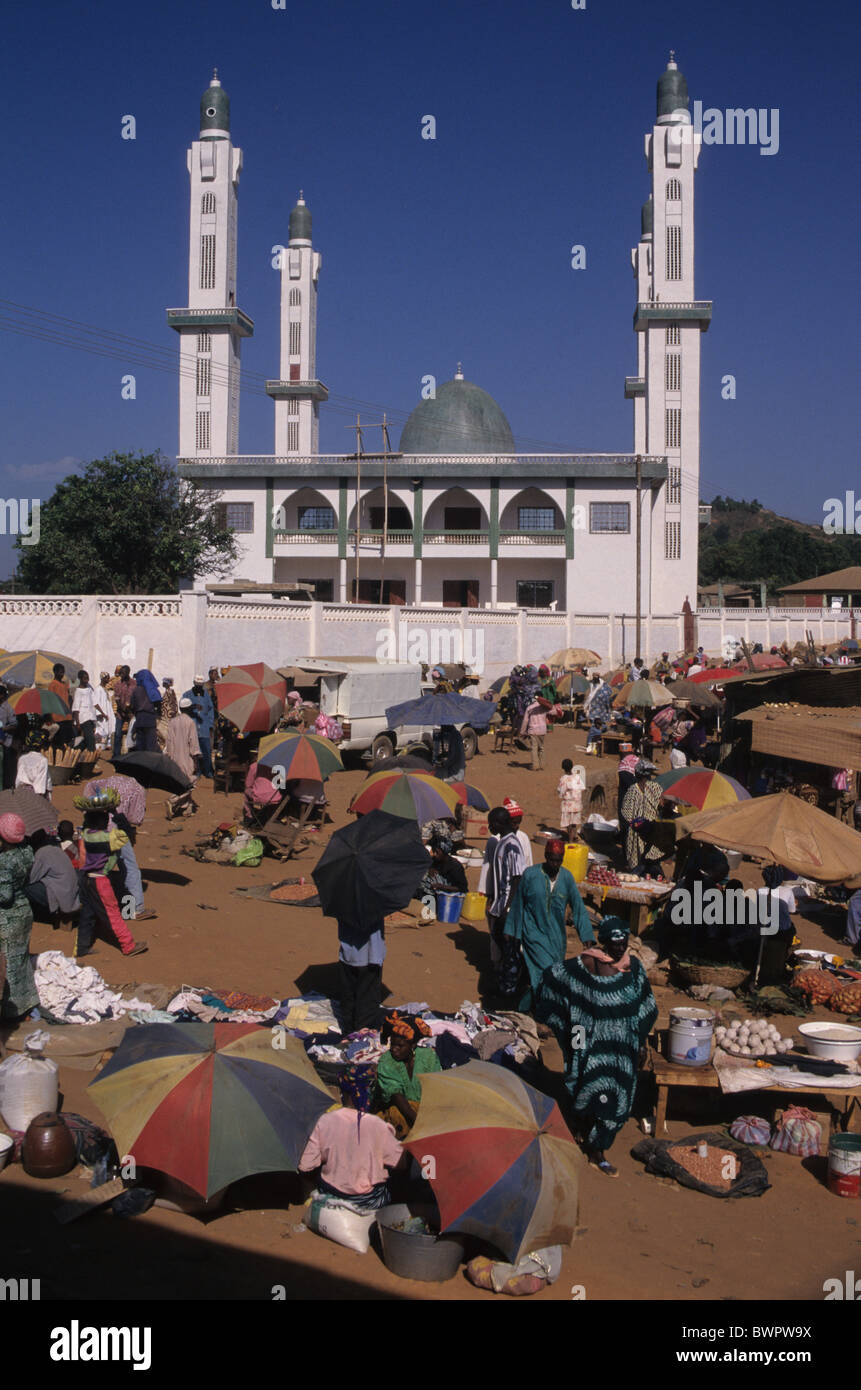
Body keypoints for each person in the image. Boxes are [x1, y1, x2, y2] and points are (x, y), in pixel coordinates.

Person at [536, 916, 658, 1177]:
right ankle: (587, 1137)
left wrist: (640, 1041)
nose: (619, 948)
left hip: (622, 1045)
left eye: (623, 942)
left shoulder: (633, 969)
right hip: (585, 1037)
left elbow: (646, 1007)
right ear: (603, 943)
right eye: (613, 944)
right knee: (583, 1082)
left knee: (618, 1098)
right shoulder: (585, 965)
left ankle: (598, 1146)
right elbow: (553, 978)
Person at [503, 838, 595, 1009]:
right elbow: (518, 904)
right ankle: (532, 1011)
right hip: (533, 932)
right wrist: (511, 929)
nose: (555, 863)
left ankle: (529, 1008)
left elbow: (578, 907)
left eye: (559, 860)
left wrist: (587, 935)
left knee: (551, 974)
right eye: (552, 859)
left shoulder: (566, 878)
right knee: (546, 972)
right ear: (545, 856)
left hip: (556, 938)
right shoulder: (531, 874)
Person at [299, 1065, 404, 1210]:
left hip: (331, 1193)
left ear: (342, 1092)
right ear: (368, 1092)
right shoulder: (378, 1126)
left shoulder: (324, 1121)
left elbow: (306, 1166)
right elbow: (401, 1164)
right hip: (366, 1200)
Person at [73, 793, 147, 958]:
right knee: (112, 913)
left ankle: (81, 947)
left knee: (88, 914)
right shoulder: (105, 838)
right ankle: (128, 946)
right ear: (103, 821)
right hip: (99, 881)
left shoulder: (85, 833)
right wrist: (116, 813)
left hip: (85, 879)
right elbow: (126, 833)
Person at [375, 1011, 442, 1139]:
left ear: (413, 1045)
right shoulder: (386, 1061)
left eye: (400, 1046)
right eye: (392, 1044)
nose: (394, 1049)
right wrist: (417, 1122)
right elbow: (396, 1095)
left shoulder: (428, 1057)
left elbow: (435, 1087)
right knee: (397, 1118)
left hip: (425, 1109)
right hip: (401, 1111)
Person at [0, 812, 38, 1021]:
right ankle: (29, 1002)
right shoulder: (27, 852)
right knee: (22, 958)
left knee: (8, 964)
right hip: (25, 910)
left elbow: (5, 896)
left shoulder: (5, 861)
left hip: (8, 916)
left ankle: (11, 1010)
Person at [481, 806, 527, 972]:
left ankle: (511, 980)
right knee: (499, 940)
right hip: (499, 903)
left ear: (498, 823)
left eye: (491, 824)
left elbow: (517, 878)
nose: (490, 828)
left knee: (508, 947)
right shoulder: (503, 842)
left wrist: (508, 908)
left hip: (506, 905)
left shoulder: (511, 846)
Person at [338, 916, 385, 1034]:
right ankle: (362, 1032)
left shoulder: (342, 901)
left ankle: (348, 1031)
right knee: (368, 997)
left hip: (348, 955)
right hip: (370, 956)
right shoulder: (375, 902)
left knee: (348, 995)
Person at [24, 828, 80, 924]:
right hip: (70, 893)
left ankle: (38, 913)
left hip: (61, 896)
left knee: (24, 887)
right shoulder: (56, 849)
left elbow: (32, 877)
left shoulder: (42, 853)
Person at [620, 759, 663, 875]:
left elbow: (626, 813)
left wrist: (636, 822)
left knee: (637, 864)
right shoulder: (656, 788)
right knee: (652, 862)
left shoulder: (632, 789)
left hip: (636, 831)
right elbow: (661, 806)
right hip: (651, 830)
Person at [419, 830, 468, 900]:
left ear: (443, 851)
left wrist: (441, 886)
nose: (434, 854)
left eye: (436, 851)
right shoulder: (435, 861)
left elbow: (462, 888)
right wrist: (430, 869)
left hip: (452, 897)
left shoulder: (455, 866)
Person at [183, 675, 215, 777]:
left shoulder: (206, 695)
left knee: (206, 750)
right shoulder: (187, 695)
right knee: (193, 751)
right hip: (192, 727)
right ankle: (196, 770)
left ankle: (208, 771)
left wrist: (210, 725)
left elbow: (210, 710)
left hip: (204, 727)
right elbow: (183, 708)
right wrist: (193, 707)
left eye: (201, 685)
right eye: (197, 685)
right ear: (194, 683)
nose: (199, 687)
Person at [164, 697, 201, 783]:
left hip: (174, 762)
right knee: (187, 782)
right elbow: (194, 744)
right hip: (187, 762)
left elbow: (169, 742)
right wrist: (196, 762)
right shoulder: (190, 722)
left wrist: (170, 756)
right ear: (189, 709)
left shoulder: (173, 721)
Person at [128, 671, 158, 753]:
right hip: (150, 719)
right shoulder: (153, 689)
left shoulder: (136, 690)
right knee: (150, 745)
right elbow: (158, 703)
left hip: (140, 719)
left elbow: (132, 705)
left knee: (140, 744)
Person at [71, 669, 99, 752]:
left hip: (90, 717)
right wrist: (78, 723)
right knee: (90, 739)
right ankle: (91, 754)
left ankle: (76, 750)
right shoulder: (78, 692)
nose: (87, 680)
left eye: (87, 678)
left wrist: (103, 713)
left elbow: (94, 703)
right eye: (85, 678)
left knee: (87, 739)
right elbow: (76, 708)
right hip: (83, 718)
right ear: (80, 679)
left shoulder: (89, 690)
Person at [48, 663, 74, 748]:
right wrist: (51, 717)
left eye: (63, 672)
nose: (62, 674)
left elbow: (68, 698)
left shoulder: (65, 684)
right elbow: (51, 701)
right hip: (58, 717)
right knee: (59, 741)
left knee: (68, 740)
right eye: (60, 672)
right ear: (55, 672)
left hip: (67, 716)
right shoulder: (52, 685)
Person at [520, 695, 550, 771]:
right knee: (541, 748)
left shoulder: (529, 708)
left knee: (534, 748)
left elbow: (525, 721)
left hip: (533, 730)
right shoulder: (545, 707)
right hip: (542, 730)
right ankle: (542, 765)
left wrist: (522, 731)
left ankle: (535, 765)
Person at [584, 678, 613, 755]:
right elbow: (607, 702)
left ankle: (593, 747)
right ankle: (595, 748)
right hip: (601, 713)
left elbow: (588, 700)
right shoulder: (604, 690)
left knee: (595, 731)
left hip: (596, 713)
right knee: (598, 732)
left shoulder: (594, 689)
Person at [557, 758, 583, 843]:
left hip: (568, 804)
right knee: (574, 823)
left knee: (568, 823)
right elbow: (582, 788)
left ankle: (570, 840)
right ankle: (574, 837)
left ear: (563, 768)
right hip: (577, 803)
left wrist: (561, 794)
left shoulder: (563, 779)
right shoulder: (577, 777)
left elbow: (561, 791)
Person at [502, 796, 533, 866]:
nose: (517, 826)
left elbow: (528, 862)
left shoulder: (523, 837)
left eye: (519, 822)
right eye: (514, 823)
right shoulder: (496, 838)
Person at [112, 666, 136, 757]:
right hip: (120, 713)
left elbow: (135, 697)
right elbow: (117, 698)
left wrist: (130, 711)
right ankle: (116, 755)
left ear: (128, 673)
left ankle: (131, 754)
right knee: (118, 733)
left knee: (132, 733)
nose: (121, 675)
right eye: (120, 673)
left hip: (131, 713)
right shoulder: (118, 684)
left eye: (123, 673)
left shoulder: (134, 684)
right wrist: (122, 710)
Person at [94, 673, 116, 749]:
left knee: (109, 728)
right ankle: (99, 746)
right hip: (102, 714)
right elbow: (95, 703)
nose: (108, 680)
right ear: (102, 678)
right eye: (107, 678)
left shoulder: (104, 689)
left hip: (107, 713)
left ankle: (107, 745)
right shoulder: (98, 689)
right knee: (101, 729)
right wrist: (102, 713)